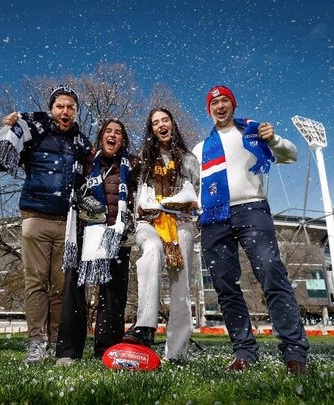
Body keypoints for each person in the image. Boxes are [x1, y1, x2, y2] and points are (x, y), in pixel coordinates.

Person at [192, 85, 309, 374]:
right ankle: (244, 351)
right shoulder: (199, 149)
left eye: (224, 101)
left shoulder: (253, 132)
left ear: (232, 104)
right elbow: (193, 185)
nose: (220, 106)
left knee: (271, 273)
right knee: (224, 285)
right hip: (213, 218)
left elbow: (291, 155)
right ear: (209, 109)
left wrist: (276, 139)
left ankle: (294, 351)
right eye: (214, 103)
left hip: (252, 209)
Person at [0, 84, 93, 364]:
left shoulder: (81, 143)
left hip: (68, 222)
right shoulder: (34, 133)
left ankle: (58, 342)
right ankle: (37, 342)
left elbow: (92, 174)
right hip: (35, 217)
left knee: (61, 286)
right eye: (60, 106)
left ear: (76, 112)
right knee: (35, 282)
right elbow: (1, 161)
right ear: (51, 109)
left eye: (71, 107)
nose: (65, 111)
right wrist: (6, 131)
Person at [55, 119, 140, 365]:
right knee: (74, 290)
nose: (113, 135)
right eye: (108, 131)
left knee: (113, 296)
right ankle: (68, 351)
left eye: (118, 132)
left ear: (123, 140)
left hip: (116, 235)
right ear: (101, 137)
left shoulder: (132, 164)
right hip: (85, 232)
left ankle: (107, 350)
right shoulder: (85, 161)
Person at [123, 108, 200, 362]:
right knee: (153, 251)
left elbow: (194, 195)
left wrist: (173, 204)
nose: (160, 125)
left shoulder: (187, 159)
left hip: (180, 224)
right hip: (150, 222)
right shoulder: (144, 159)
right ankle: (145, 326)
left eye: (164, 120)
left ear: (172, 124)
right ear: (151, 129)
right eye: (155, 122)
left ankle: (177, 352)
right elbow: (139, 198)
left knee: (181, 286)